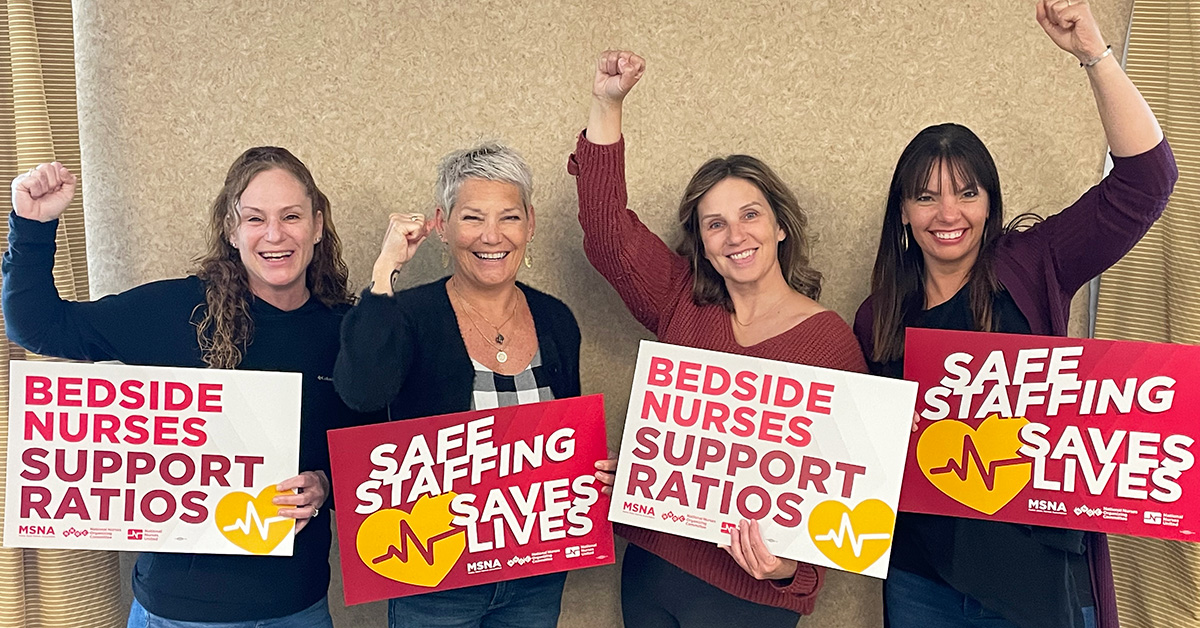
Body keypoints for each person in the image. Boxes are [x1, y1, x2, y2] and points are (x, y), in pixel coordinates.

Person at [853, 2, 1178, 628]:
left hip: (1037, 583)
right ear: (902, 212)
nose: (948, 213)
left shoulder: (1034, 262)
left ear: (989, 203)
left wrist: (1093, 53)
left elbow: (1146, 180)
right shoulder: (879, 317)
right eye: (926, 196)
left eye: (966, 192)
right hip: (922, 583)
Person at [3, 147, 373, 628]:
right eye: (255, 218)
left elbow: (368, 455)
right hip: (178, 612)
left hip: (296, 607)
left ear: (318, 225)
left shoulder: (346, 332)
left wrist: (324, 484)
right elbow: (37, 326)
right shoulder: (177, 311)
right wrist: (31, 227)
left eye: (291, 216)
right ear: (231, 229)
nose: (275, 234)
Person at [569, 50, 868, 628]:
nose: (736, 235)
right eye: (715, 223)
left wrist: (789, 571)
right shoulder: (683, 301)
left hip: (750, 600)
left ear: (781, 226)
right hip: (651, 574)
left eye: (750, 215)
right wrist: (608, 104)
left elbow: (846, 497)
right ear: (702, 243)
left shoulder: (830, 345)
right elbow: (606, 232)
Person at [334, 142, 587, 628]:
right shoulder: (407, 315)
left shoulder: (556, 320)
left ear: (530, 224)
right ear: (442, 224)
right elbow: (361, 392)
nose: (492, 236)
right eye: (472, 217)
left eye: (509, 217)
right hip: (434, 579)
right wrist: (385, 273)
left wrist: (590, 472)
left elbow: (565, 443)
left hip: (535, 576)